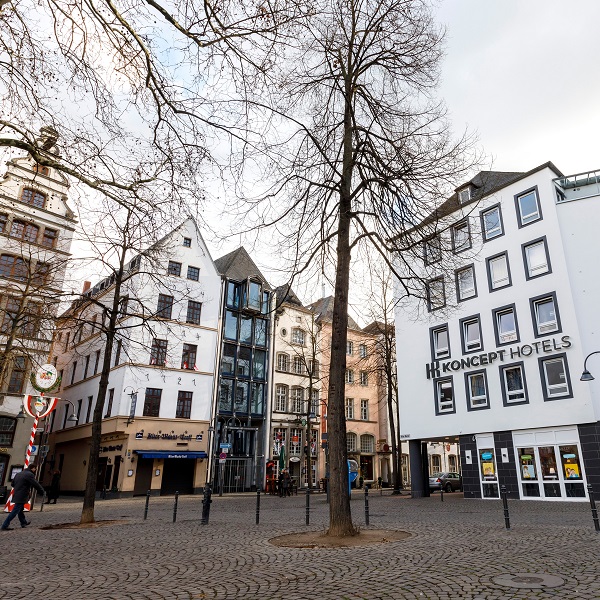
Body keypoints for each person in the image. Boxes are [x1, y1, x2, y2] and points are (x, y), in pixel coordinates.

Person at [2, 464, 46, 531]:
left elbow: (12, 484)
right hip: (22, 495)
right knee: (15, 511)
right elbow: (35, 484)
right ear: (32, 468)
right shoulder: (29, 475)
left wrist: (18, 487)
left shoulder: (18, 474)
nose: (35, 470)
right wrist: (42, 491)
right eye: (35, 469)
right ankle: (4, 525)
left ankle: (23, 522)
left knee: (20, 510)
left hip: (17, 493)